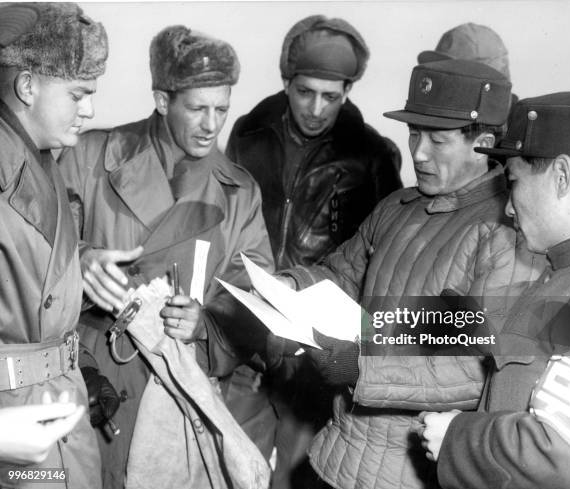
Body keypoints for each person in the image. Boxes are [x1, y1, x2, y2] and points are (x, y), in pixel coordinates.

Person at [273, 59, 543, 489]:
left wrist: (360, 369)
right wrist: (288, 287)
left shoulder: (508, 234)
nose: (417, 152)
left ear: (485, 143)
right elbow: (340, 275)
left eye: (437, 140)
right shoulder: (397, 207)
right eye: (415, 133)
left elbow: (474, 370)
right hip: (334, 457)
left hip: (410, 474)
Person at [58, 25, 274, 489]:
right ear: (161, 100)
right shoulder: (92, 158)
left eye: (222, 109)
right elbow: (27, 250)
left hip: (179, 395)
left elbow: (258, 299)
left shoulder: (239, 194)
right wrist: (81, 258)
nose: (212, 125)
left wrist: (207, 325)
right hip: (90, 379)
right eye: (197, 109)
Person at [225, 16, 402, 488]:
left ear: (348, 91)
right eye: (305, 92)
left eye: (332, 95)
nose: (317, 108)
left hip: (316, 358)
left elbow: (382, 260)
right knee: (233, 469)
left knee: (297, 478)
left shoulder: (373, 156)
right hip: (247, 340)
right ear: (286, 82)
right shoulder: (247, 134)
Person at [421, 92, 570, 489]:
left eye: (513, 183)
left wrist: (456, 438)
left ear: (562, 176)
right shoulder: (569, 274)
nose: (509, 208)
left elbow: (565, 459)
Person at [0, 3, 108, 487]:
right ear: (27, 86)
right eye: (78, 94)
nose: (89, 110)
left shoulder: (41, 160)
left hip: (53, 408)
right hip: (14, 422)